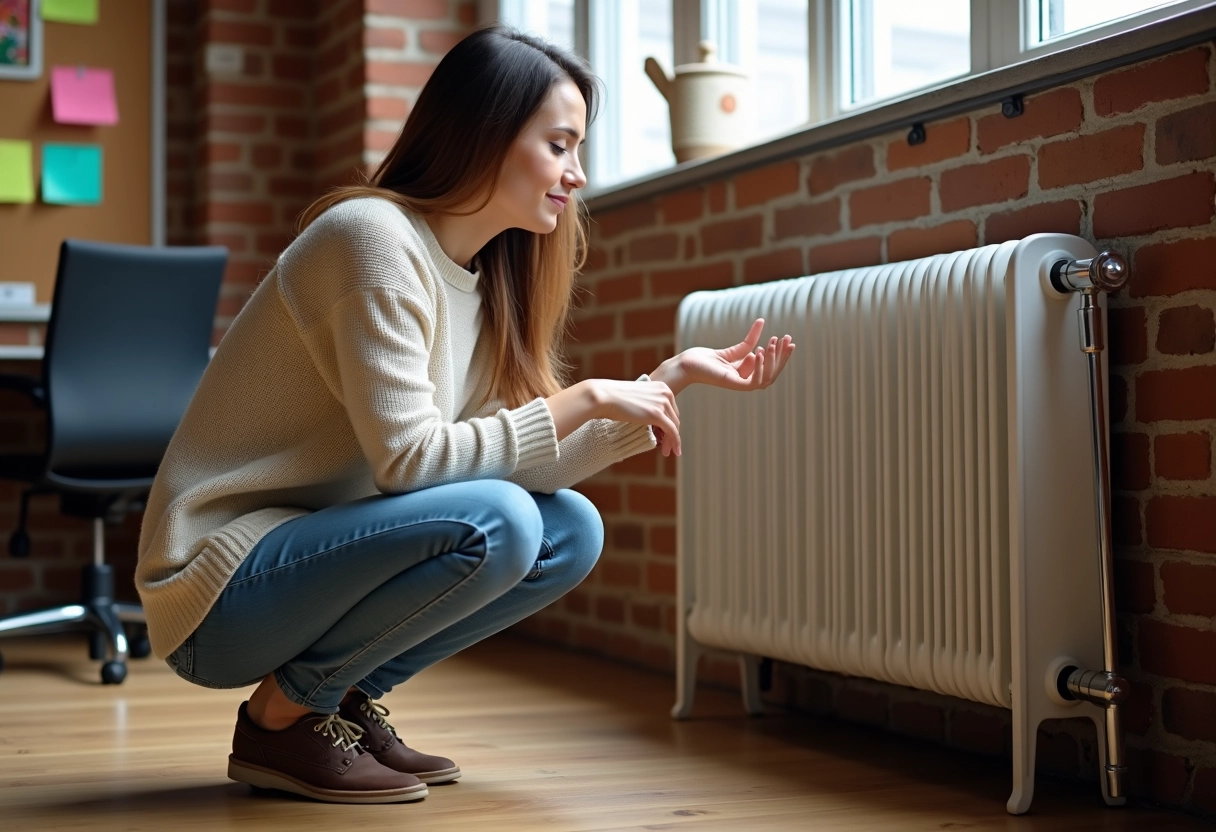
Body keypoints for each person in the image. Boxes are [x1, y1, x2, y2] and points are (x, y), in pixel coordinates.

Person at [135, 23, 795, 805]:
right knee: (501, 521)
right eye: (559, 145)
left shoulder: (482, 282)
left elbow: (504, 457)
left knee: (569, 530)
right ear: (485, 135)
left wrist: (664, 383)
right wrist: (584, 396)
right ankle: (283, 718)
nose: (578, 174)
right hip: (218, 587)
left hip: (309, 565)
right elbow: (411, 463)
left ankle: (338, 702)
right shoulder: (370, 240)